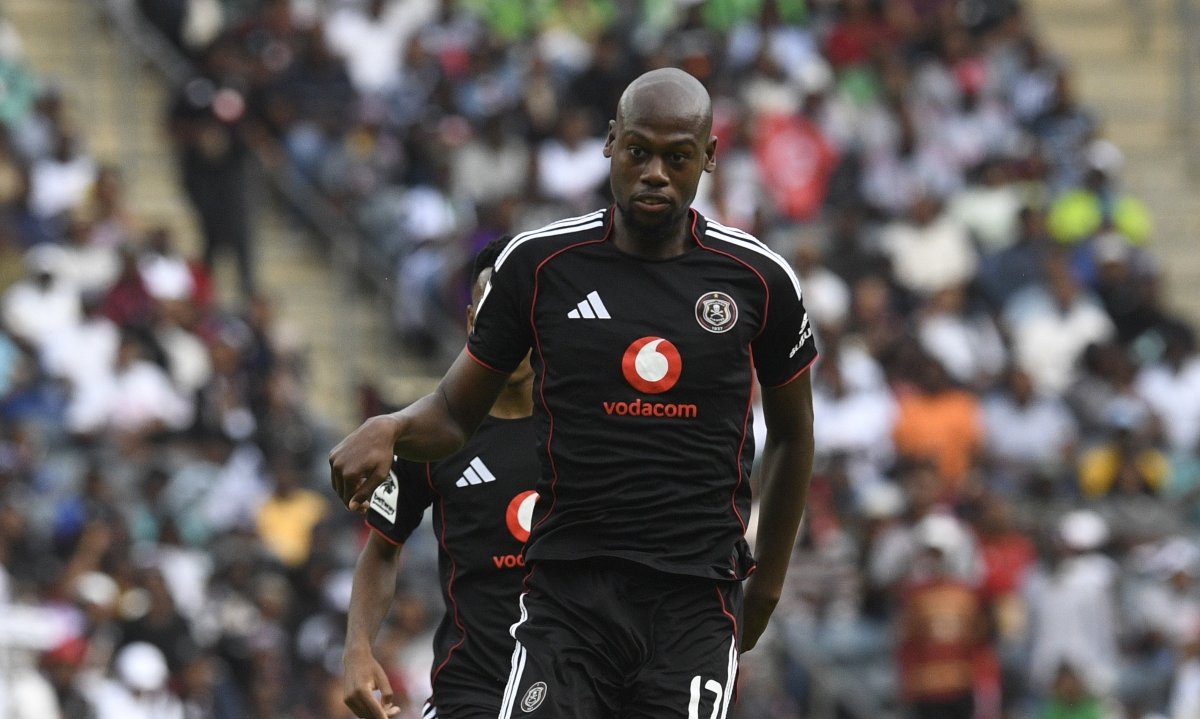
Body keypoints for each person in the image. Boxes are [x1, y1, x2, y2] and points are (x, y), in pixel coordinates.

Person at [329, 67, 818, 718]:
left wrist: (767, 588)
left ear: (710, 157)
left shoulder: (759, 278)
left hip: (695, 601)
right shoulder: (540, 265)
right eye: (639, 150)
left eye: (677, 157)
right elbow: (451, 412)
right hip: (568, 597)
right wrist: (390, 427)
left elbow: (792, 434)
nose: (654, 174)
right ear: (610, 141)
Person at [342, 236, 539, 719]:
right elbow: (382, 547)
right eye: (493, 313)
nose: (507, 329)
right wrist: (358, 648)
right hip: (469, 694)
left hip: (575, 693)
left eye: (518, 312)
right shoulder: (426, 434)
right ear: (473, 322)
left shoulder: (589, 430)